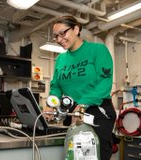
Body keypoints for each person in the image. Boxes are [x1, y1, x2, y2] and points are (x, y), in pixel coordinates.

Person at [45, 16, 117, 160]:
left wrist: (83, 103)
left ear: (76, 29)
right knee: (74, 155)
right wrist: (51, 104)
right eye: (55, 36)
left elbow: (104, 84)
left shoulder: (97, 50)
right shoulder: (60, 59)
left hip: (97, 113)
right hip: (72, 114)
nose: (59, 39)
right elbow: (56, 86)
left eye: (62, 33)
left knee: (96, 155)